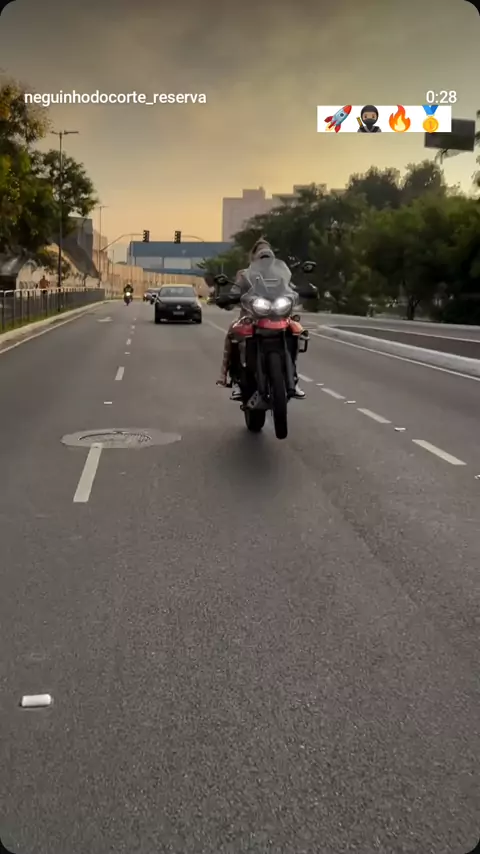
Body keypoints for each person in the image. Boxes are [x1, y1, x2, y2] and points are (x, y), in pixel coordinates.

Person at [216, 239, 306, 400]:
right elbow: (235, 291)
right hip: (251, 316)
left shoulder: (281, 274)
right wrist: (227, 298)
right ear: (255, 257)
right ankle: (235, 380)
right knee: (233, 333)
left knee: (296, 331)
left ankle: (292, 377)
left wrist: (303, 291)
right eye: (262, 254)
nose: (265, 257)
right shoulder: (245, 274)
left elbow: (290, 289)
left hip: (279, 315)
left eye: (268, 254)